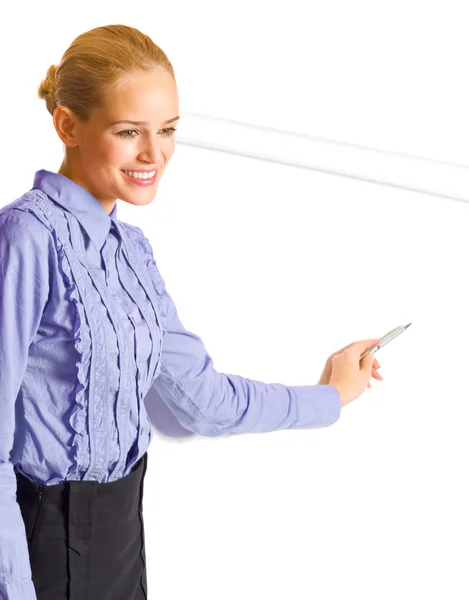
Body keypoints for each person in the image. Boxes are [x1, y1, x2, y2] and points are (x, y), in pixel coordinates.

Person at [0, 24, 383, 600]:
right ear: (67, 125)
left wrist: (330, 396)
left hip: (125, 533)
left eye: (167, 131)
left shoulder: (132, 253)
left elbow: (202, 400)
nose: (153, 154)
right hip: (42, 548)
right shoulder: (24, 239)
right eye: (130, 132)